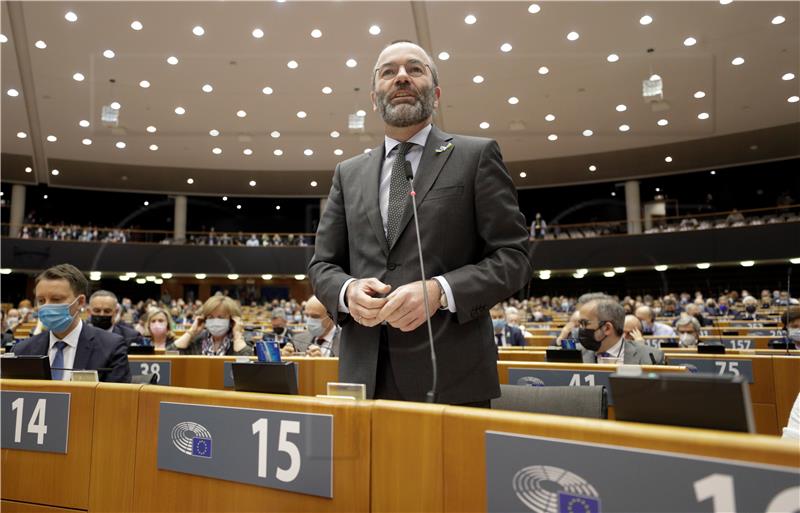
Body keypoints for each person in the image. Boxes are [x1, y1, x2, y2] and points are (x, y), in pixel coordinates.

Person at [308, 40, 532, 406]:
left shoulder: (475, 157)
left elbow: (514, 258)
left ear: (437, 93)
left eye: (415, 69)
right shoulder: (347, 174)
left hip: (452, 377)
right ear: (374, 96)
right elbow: (322, 265)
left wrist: (440, 291)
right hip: (363, 378)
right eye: (388, 71)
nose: (401, 78)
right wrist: (347, 292)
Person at [12, 264, 131, 382]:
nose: (46, 306)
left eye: (56, 299)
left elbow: (118, 398)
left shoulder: (111, 347)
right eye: (41, 300)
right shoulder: (21, 351)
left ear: (80, 302)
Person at [577, 299, 665, 364]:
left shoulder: (651, 358)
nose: (581, 328)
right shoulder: (574, 354)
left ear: (607, 328)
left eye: (584, 323)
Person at [168, 295, 252, 356]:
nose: (215, 320)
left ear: (232, 320)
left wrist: (237, 334)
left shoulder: (244, 340)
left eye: (221, 317)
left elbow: (246, 364)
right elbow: (170, 354)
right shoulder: (197, 340)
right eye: (211, 317)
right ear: (205, 319)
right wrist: (191, 332)